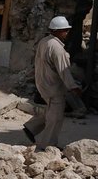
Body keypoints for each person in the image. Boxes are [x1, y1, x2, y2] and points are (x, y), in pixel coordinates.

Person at [24, 16, 86, 150]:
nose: (66, 33)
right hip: (53, 87)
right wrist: (73, 87)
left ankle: (31, 127)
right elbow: (64, 71)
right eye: (64, 30)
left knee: (51, 110)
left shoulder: (44, 42)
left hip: (43, 83)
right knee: (55, 117)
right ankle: (48, 145)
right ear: (57, 31)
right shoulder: (57, 48)